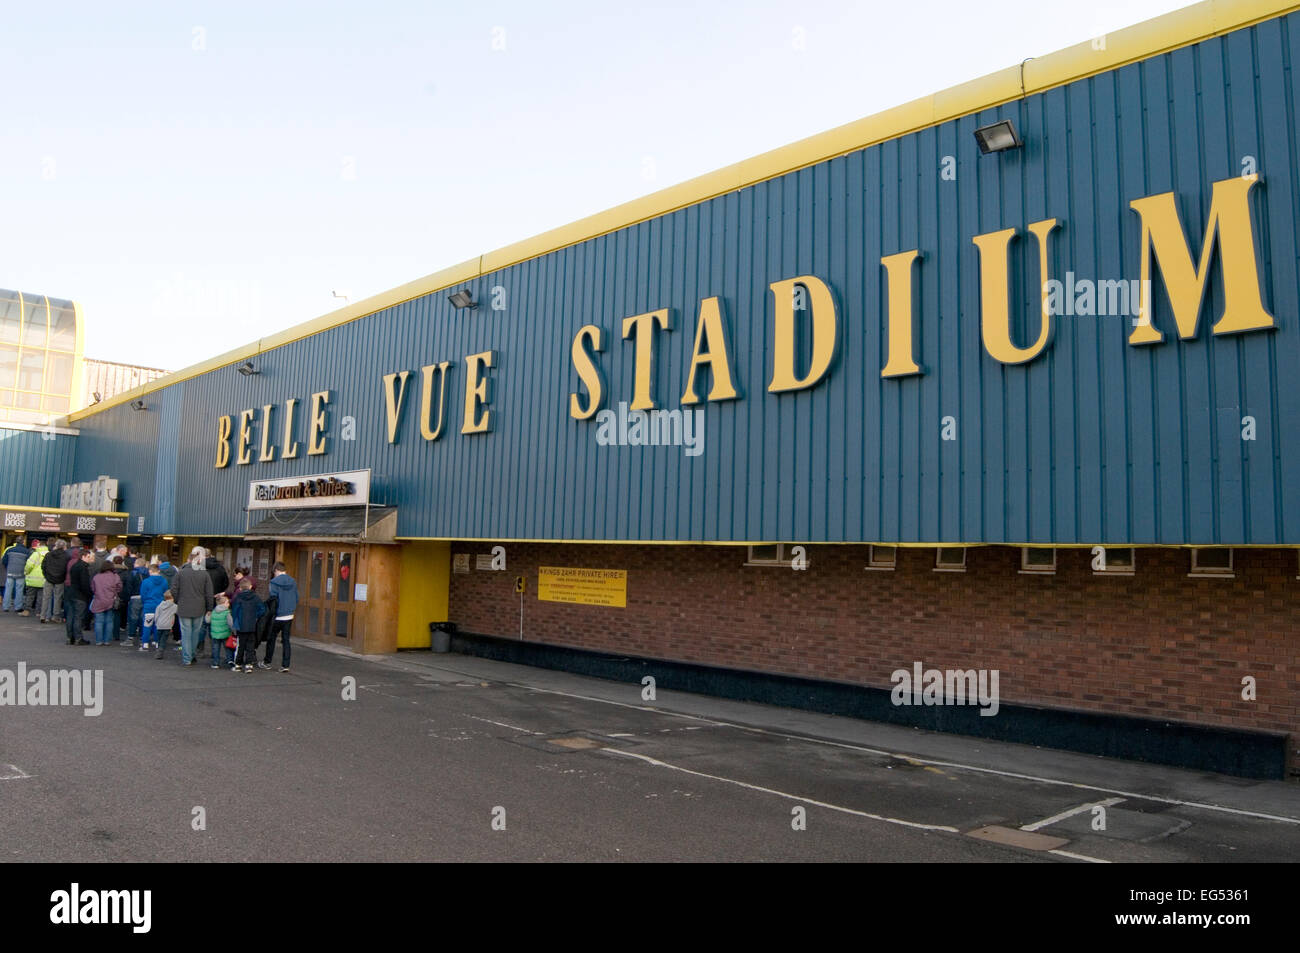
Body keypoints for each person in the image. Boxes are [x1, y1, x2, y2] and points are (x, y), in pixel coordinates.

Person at [170, 547, 214, 666]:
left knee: (186, 633)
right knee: (195, 633)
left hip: (184, 605)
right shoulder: (204, 574)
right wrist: (209, 608)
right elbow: (209, 593)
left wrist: (178, 600)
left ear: (188, 560)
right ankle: (192, 654)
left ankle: (187, 658)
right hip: (199, 607)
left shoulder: (181, 573)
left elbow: (173, 589)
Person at [260, 562, 298, 673]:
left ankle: (267, 662)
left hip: (277, 615)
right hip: (289, 614)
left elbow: (273, 599)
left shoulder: (274, 582)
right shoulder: (293, 581)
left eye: (274, 572)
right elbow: (296, 597)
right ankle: (285, 665)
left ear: (276, 570)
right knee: (286, 640)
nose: (274, 574)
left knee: (271, 639)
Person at [231, 578, 266, 674]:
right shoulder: (255, 597)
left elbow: (235, 611)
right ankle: (249, 665)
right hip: (251, 625)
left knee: (240, 646)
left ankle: (238, 664)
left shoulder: (238, 598)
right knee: (250, 646)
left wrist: (235, 622)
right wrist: (256, 615)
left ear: (240, 588)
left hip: (241, 626)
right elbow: (262, 609)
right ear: (250, 587)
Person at [90, 563, 122, 646]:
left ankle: (99, 641)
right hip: (111, 600)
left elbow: (93, 588)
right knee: (109, 621)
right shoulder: (115, 576)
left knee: (99, 622)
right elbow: (119, 588)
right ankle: (107, 640)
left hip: (99, 600)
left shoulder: (97, 576)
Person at [139, 563, 169, 653]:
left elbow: (143, 595)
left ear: (150, 571)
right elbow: (166, 593)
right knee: (157, 625)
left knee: (147, 625)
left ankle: (145, 644)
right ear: (159, 571)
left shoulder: (146, 581)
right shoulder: (164, 581)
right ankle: (157, 643)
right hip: (160, 606)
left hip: (149, 605)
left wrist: (145, 603)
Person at [40, 539, 69, 624]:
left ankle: (43, 615)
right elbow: (67, 569)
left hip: (49, 578)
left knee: (46, 597)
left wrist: (46, 575)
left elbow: (43, 566)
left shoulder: (48, 555)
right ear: (64, 546)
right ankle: (55, 616)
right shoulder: (66, 556)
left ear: (55, 546)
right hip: (60, 579)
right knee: (58, 598)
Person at [2, 537, 32, 612]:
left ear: (16, 542)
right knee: (19, 590)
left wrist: (8, 567)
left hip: (10, 572)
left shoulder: (9, 550)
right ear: (23, 542)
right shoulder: (26, 551)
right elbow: (29, 562)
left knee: (8, 589)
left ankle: (6, 607)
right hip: (21, 573)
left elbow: (4, 561)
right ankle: (18, 607)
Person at [125, 557, 147, 645]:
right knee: (143, 618)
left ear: (137, 564)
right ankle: (142, 638)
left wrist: (128, 597)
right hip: (145, 598)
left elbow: (129, 586)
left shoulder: (133, 573)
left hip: (135, 597)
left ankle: (131, 638)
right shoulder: (148, 573)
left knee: (133, 618)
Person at [22, 539, 47, 617]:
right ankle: (38, 612)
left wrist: (26, 572)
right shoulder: (49, 554)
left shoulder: (36, 554)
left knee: (30, 596)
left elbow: (29, 565)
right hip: (44, 580)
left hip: (32, 579)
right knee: (41, 597)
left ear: (39, 545)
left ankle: (26, 611)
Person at [208, 594, 234, 669]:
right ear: (223, 604)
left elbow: (208, 620)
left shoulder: (213, 611)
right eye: (227, 603)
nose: (229, 604)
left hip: (215, 634)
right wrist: (233, 631)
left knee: (215, 649)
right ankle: (230, 661)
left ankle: (215, 663)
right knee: (228, 648)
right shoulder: (227, 613)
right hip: (225, 633)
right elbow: (230, 623)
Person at [152, 591, 179, 660]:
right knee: (163, 639)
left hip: (159, 625)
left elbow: (156, 616)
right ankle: (160, 652)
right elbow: (179, 612)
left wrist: (156, 623)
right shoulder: (174, 606)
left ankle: (158, 649)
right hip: (168, 625)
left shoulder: (159, 606)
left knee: (159, 638)